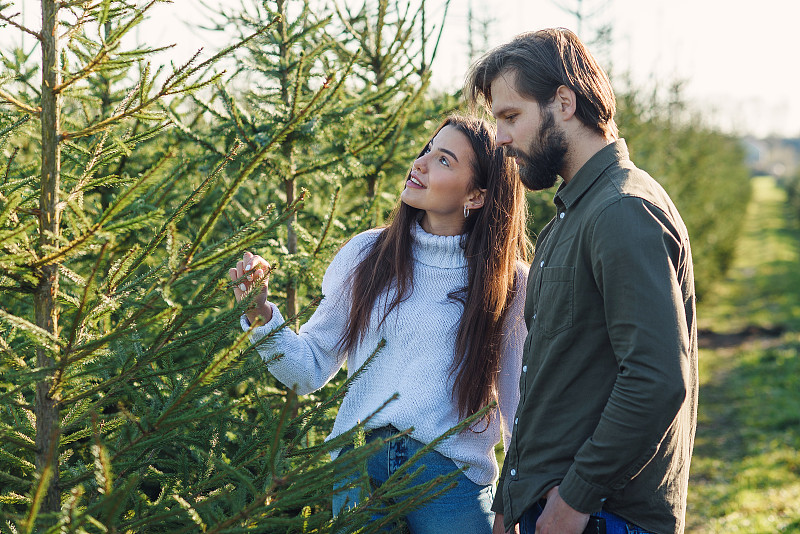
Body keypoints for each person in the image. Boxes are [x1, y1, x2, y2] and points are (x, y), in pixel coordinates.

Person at [229, 114, 531, 533]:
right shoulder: (367, 254)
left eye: (444, 160)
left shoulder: (510, 283)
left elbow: (519, 408)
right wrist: (260, 313)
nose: (420, 163)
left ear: (476, 195)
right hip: (359, 473)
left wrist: (514, 505)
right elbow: (310, 367)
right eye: (427, 150)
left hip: (451, 482)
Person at [465, 28, 698, 534]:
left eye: (511, 117)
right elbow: (549, 377)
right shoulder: (572, 216)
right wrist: (512, 496)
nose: (500, 138)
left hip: (602, 518)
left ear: (564, 102)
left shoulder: (623, 211)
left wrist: (574, 499)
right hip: (552, 508)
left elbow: (656, 380)